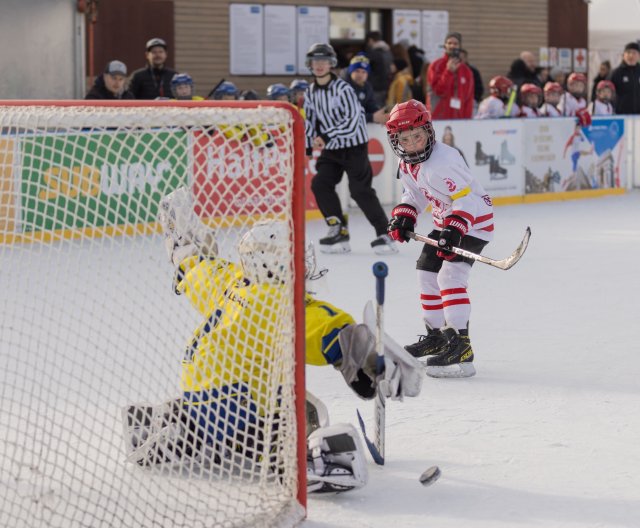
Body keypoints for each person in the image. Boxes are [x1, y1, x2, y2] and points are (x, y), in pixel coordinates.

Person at [122, 188, 422, 493]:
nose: (303, 267)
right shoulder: (285, 304)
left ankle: (182, 429)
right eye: (295, 259)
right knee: (304, 412)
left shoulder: (229, 280)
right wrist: (372, 362)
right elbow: (332, 335)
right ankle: (305, 459)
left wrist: (184, 248)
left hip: (197, 397)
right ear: (273, 264)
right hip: (243, 405)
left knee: (265, 392)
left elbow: (195, 268)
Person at [385, 100, 494, 378]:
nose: (412, 144)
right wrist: (405, 215)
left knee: (450, 278)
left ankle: (461, 348)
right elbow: (416, 194)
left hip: (473, 224)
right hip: (445, 222)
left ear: (429, 132)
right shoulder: (408, 163)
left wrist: (454, 230)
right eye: (404, 139)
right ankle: (437, 336)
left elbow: (466, 200)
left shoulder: (443, 162)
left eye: (417, 136)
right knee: (426, 273)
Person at [303, 43, 396, 255]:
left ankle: (385, 232)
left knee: (360, 191)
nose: (319, 65)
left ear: (331, 63)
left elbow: (353, 119)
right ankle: (338, 229)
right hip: (332, 149)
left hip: (354, 146)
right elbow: (311, 120)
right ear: (310, 64)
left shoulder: (343, 88)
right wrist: (310, 143)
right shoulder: (310, 92)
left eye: (323, 61)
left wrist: (325, 136)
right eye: (315, 61)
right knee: (320, 184)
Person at [426, 32, 474, 119]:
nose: (452, 46)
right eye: (449, 43)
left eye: (455, 43)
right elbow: (438, 91)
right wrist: (448, 72)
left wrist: (467, 120)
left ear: (460, 46)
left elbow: (468, 99)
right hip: (438, 117)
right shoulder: (435, 66)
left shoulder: (466, 71)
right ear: (445, 45)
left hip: (459, 119)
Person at [345, 55, 388, 124]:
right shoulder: (344, 88)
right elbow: (347, 116)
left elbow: (370, 104)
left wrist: (380, 114)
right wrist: (372, 117)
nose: (360, 75)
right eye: (357, 71)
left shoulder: (367, 87)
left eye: (363, 72)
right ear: (351, 72)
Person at [364, 31, 393, 108]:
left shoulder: (374, 53)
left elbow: (365, 67)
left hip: (375, 87)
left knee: (375, 110)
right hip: (385, 86)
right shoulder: (388, 52)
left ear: (370, 40)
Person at [610, 42, 640, 115]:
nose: (631, 55)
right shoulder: (616, 73)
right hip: (622, 115)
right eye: (628, 52)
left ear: (639, 55)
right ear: (623, 55)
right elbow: (608, 93)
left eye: (634, 53)